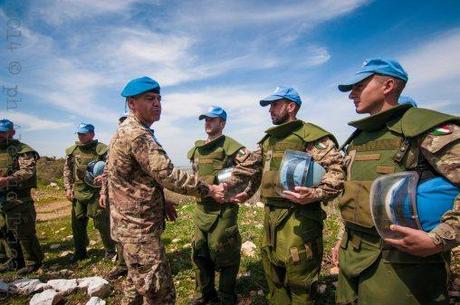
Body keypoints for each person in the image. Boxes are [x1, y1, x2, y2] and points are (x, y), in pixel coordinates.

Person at [332, 58, 460, 305]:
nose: (351, 96)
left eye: (358, 87)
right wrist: (343, 237)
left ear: (388, 85)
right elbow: (357, 196)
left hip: (403, 264)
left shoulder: (425, 129)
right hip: (354, 256)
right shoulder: (359, 138)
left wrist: (440, 239)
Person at [107, 76, 224, 304]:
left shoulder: (127, 130)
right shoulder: (137, 134)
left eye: (159, 98)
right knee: (160, 293)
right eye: (150, 99)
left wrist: (163, 201)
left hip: (128, 225)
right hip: (139, 231)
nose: (157, 103)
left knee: (135, 284)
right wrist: (208, 189)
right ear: (132, 103)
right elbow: (168, 174)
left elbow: (137, 178)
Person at [223, 86, 345, 305]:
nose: (270, 110)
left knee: (301, 278)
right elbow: (253, 169)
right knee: (273, 274)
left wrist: (316, 194)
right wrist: (244, 191)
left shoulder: (311, 136)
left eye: (275, 104)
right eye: (270, 106)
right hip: (270, 217)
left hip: (299, 217)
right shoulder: (268, 140)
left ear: (291, 106)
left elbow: (337, 171)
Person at [188, 106, 251, 305]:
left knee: (225, 253)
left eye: (212, 120)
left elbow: (252, 167)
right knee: (199, 253)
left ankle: (226, 297)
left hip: (224, 210)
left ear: (222, 123)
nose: (207, 123)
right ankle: (205, 294)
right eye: (205, 119)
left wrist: (240, 191)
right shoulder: (196, 150)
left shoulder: (231, 147)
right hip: (201, 209)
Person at [64, 123, 115, 262]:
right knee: (77, 223)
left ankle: (110, 250)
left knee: (102, 223)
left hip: (96, 193)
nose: (80, 136)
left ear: (92, 134)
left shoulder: (102, 150)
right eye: (79, 134)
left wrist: (104, 182)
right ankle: (80, 252)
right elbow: (68, 171)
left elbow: (111, 169)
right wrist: (68, 188)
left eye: (84, 134)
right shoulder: (73, 151)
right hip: (78, 192)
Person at [0, 119, 43, 275]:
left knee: (23, 230)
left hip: (19, 198)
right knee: (5, 230)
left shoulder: (22, 150)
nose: (0, 135)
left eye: (4, 132)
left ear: (12, 132)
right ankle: (14, 261)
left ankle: (33, 262)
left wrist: (8, 180)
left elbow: (27, 171)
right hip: (2, 199)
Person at [99, 112, 130, 280]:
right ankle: (122, 265)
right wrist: (103, 191)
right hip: (115, 196)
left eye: (127, 121)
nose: (124, 124)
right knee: (117, 232)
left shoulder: (142, 140)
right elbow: (107, 170)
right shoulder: (114, 143)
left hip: (134, 199)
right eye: (122, 121)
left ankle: (137, 265)